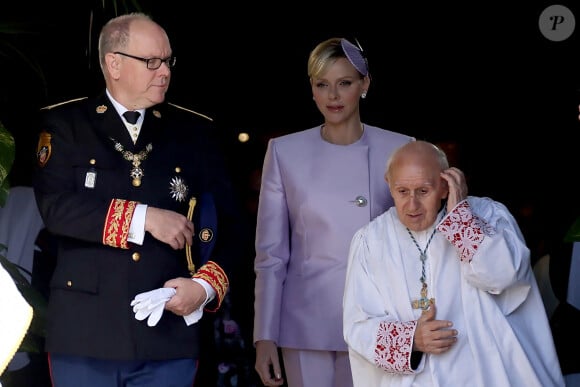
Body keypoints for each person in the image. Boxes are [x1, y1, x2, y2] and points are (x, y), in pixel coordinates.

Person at [32, 12, 240, 387]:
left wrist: (204, 287)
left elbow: (228, 223)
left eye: (167, 61)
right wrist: (144, 218)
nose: (164, 72)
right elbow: (56, 210)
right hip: (84, 335)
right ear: (114, 63)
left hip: (167, 336)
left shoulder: (194, 132)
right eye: (151, 62)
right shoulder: (66, 125)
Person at [253, 37, 414, 387]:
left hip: (379, 317)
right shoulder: (284, 152)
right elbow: (270, 256)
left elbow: (418, 244)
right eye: (322, 85)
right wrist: (264, 335)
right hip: (305, 322)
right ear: (311, 88)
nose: (333, 96)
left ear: (365, 84)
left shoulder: (400, 147)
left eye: (344, 83)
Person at [342, 140, 564, 386]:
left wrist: (460, 217)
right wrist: (412, 340)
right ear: (389, 185)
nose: (412, 205)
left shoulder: (489, 215)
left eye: (423, 191)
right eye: (402, 191)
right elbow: (357, 324)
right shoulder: (370, 240)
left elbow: (505, 277)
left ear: (446, 186)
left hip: (484, 375)